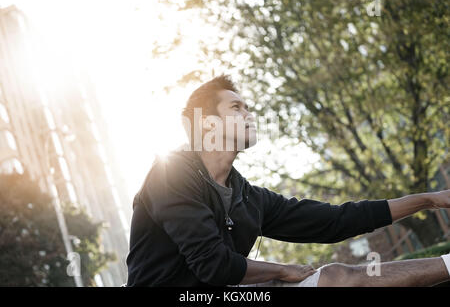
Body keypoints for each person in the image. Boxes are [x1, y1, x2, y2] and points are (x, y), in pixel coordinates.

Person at [125, 75, 450, 287]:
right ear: (208, 124)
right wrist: (282, 270)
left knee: (336, 277)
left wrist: (430, 199)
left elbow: (337, 221)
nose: (249, 115)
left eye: (248, 108)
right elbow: (213, 265)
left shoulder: (248, 198)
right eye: (236, 107)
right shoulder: (171, 175)